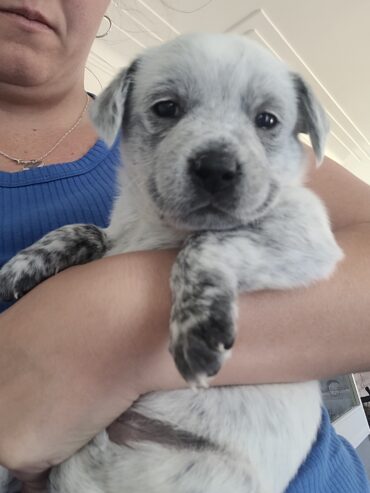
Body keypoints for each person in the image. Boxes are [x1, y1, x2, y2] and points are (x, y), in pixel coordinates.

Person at [0, 1, 369, 492]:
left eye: (265, 120)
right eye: (168, 110)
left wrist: (98, 318)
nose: (221, 158)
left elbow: (312, 248)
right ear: (124, 109)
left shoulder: (274, 167)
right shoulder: (133, 140)